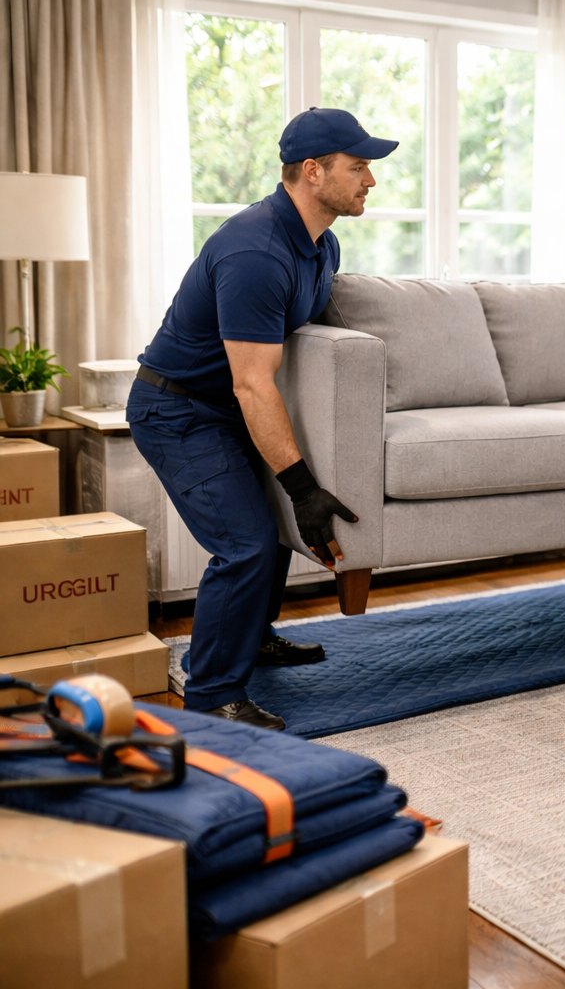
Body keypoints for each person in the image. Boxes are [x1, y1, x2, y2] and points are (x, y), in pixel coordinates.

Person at [128, 108, 398, 729]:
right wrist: (302, 486)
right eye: (358, 167)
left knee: (273, 530)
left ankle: (253, 636)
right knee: (246, 544)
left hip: (224, 406)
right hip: (176, 411)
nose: (370, 181)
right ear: (312, 171)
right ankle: (212, 697)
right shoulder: (254, 250)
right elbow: (253, 383)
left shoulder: (322, 243)